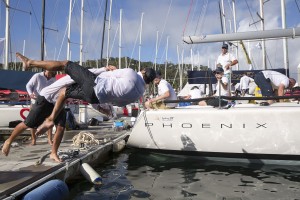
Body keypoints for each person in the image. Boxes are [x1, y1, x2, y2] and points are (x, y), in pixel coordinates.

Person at [1, 66, 124, 162]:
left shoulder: (86, 86)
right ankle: (9, 141)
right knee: (27, 124)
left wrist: (104, 110)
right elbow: (92, 71)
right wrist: (105, 68)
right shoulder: (74, 78)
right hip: (45, 99)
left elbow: (92, 101)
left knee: (60, 127)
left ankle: (53, 153)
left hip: (58, 104)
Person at [16, 52, 156, 134]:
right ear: (149, 81)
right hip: (95, 98)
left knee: (65, 64)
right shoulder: (138, 94)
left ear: (143, 71)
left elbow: (109, 75)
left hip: (94, 84)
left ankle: (30, 63)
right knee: (65, 92)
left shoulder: (131, 73)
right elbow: (117, 102)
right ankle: (52, 119)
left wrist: (104, 70)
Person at [26, 70, 56, 145]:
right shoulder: (37, 76)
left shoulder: (53, 79)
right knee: (32, 120)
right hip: (36, 100)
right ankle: (33, 139)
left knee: (49, 120)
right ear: (46, 70)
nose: (50, 75)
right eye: (50, 73)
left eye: (52, 74)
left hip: (48, 101)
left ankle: (49, 139)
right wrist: (30, 94)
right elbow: (28, 85)